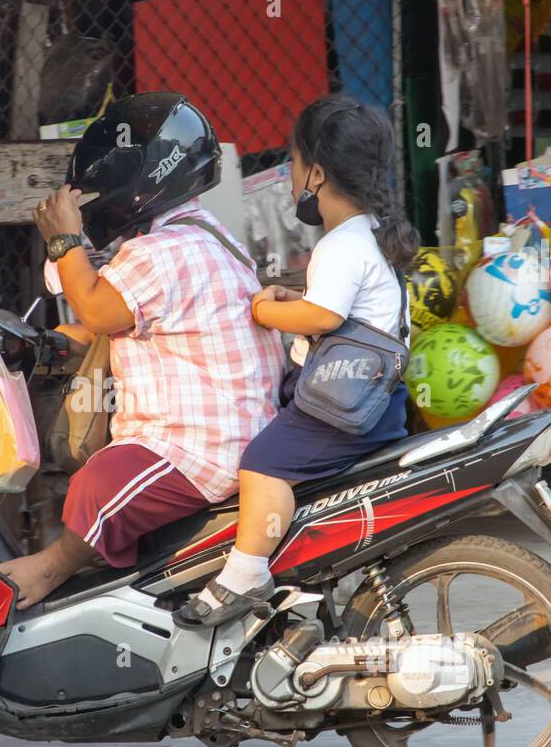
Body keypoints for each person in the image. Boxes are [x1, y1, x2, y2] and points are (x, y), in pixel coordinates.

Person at [0, 93, 284, 608]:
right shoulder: (194, 233)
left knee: (98, 485)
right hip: (229, 428)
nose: (94, 202)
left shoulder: (165, 252)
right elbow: (107, 313)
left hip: (201, 445)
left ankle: (51, 568)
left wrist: (64, 241)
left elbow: (100, 313)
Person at [174, 94, 419, 629]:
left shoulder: (341, 243)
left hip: (341, 409)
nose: (288, 172)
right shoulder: (373, 234)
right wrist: (296, 304)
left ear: (316, 174)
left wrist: (264, 308)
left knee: (262, 462)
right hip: (378, 400)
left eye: (292, 160)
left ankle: (245, 573)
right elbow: (339, 309)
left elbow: (326, 318)